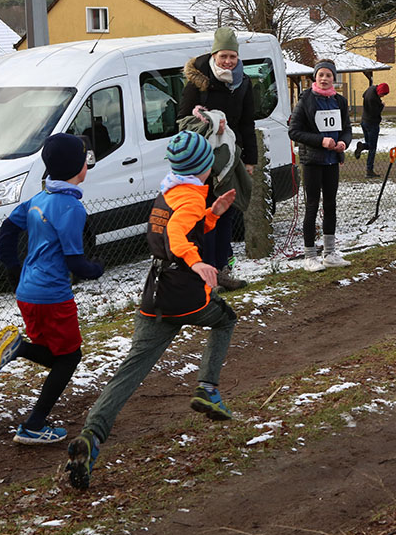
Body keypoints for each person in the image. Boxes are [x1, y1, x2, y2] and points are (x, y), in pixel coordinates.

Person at [65, 131, 238, 489]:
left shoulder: (170, 190)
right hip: (185, 293)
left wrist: (213, 215)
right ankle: (207, 388)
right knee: (225, 319)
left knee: (131, 370)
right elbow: (178, 235)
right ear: (204, 167)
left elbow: (184, 225)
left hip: (155, 295)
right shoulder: (189, 197)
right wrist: (198, 264)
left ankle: (91, 439)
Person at [0, 133, 103, 445]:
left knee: (57, 355)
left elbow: (7, 230)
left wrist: (14, 270)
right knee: (70, 357)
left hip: (27, 292)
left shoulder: (39, 199)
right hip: (53, 296)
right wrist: (95, 269)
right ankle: (34, 424)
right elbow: (75, 261)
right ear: (79, 168)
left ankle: (18, 348)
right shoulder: (72, 208)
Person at [178, 27, 255, 291]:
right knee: (205, 215)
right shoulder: (197, 82)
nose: (228, 62)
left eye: (232, 56)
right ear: (214, 54)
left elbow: (247, 123)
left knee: (225, 214)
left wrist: (250, 160)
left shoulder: (243, 82)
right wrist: (209, 125)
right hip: (202, 161)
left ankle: (223, 269)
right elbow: (181, 121)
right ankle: (205, 272)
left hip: (231, 158)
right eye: (223, 56)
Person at [288, 59, 353, 272]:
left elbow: (346, 128)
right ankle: (309, 255)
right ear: (314, 77)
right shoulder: (306, 100)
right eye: (321, 75)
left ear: (334, 78)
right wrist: (320, 141)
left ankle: (330, 253)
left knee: (331, 205)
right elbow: (294, 131)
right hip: (313, 161)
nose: (324, 79)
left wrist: (343, 142)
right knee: (312, 205)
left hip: (332, 160)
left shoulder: (340, 101)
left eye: (328, 75)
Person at [355, 82, 389, 178]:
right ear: (380, 92)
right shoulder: (373, 99)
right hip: (372, 123)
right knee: (372, 148)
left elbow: (363, 95)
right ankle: (369, 170)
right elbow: (376, 112)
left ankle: (362, 146)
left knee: (369, 144)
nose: (382, 96)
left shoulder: (371, 89)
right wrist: (381, 106)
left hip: (364, 121)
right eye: (383, 94)